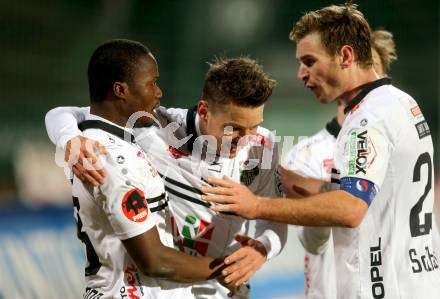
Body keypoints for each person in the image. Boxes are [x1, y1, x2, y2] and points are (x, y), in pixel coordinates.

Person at [201, 4, 440, 298]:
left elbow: (350, 208)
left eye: (310, 61)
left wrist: (256, 206)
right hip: (419, 280)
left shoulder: (367, 121)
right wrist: (279, 175)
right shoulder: (401, 102)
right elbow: (366, 192)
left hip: (385, 288)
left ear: (346, 56)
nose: (302, 74)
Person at [45, 56, 287, 298]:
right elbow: (65, 113)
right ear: (204, 111)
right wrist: (68, 137)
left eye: (254, 127)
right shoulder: (157, 128)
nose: (245, 139)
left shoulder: (263, 147)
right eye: (233, 128)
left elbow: (275, 219)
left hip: (224, 289)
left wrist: (262, 249)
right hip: (162, 285)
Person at [281, 28, 398, 299]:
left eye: (375, 72)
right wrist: (333, 199)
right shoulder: (305, 156)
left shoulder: (399, 143)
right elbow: (313, 243)